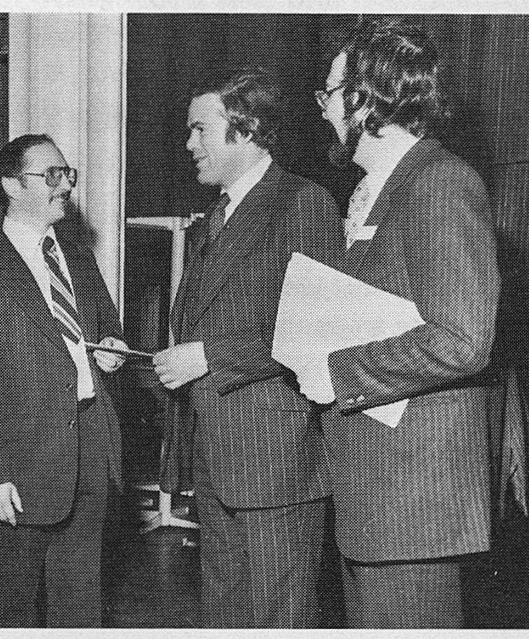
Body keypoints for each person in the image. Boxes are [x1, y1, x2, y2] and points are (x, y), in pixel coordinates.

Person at [306, 19, 500, 627]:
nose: (323, 110)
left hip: (413, 502)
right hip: (374, 493)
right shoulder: (378, 189)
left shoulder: (440, 184)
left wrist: (338, 372)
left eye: (330, 93)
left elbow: (463, 340)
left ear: (366, 101)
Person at [152, 68, 341, 627]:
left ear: (247, 129)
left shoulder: (303, 203)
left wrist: (208, 356)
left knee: (278, 619)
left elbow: (317, 328)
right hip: (216, 458)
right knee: (225, 615)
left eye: (200, 130)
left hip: (274, 465)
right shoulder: (218, 214)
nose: (189, 144)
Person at [0, 135, 128, 627]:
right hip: (17, 467)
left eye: (68, 174)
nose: (65, 186)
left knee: (79, 602)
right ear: (10, 185)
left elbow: (106, 326)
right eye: (51, 176)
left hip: (90, 446)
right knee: (13, 609)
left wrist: (113, 348)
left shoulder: (77, 258)